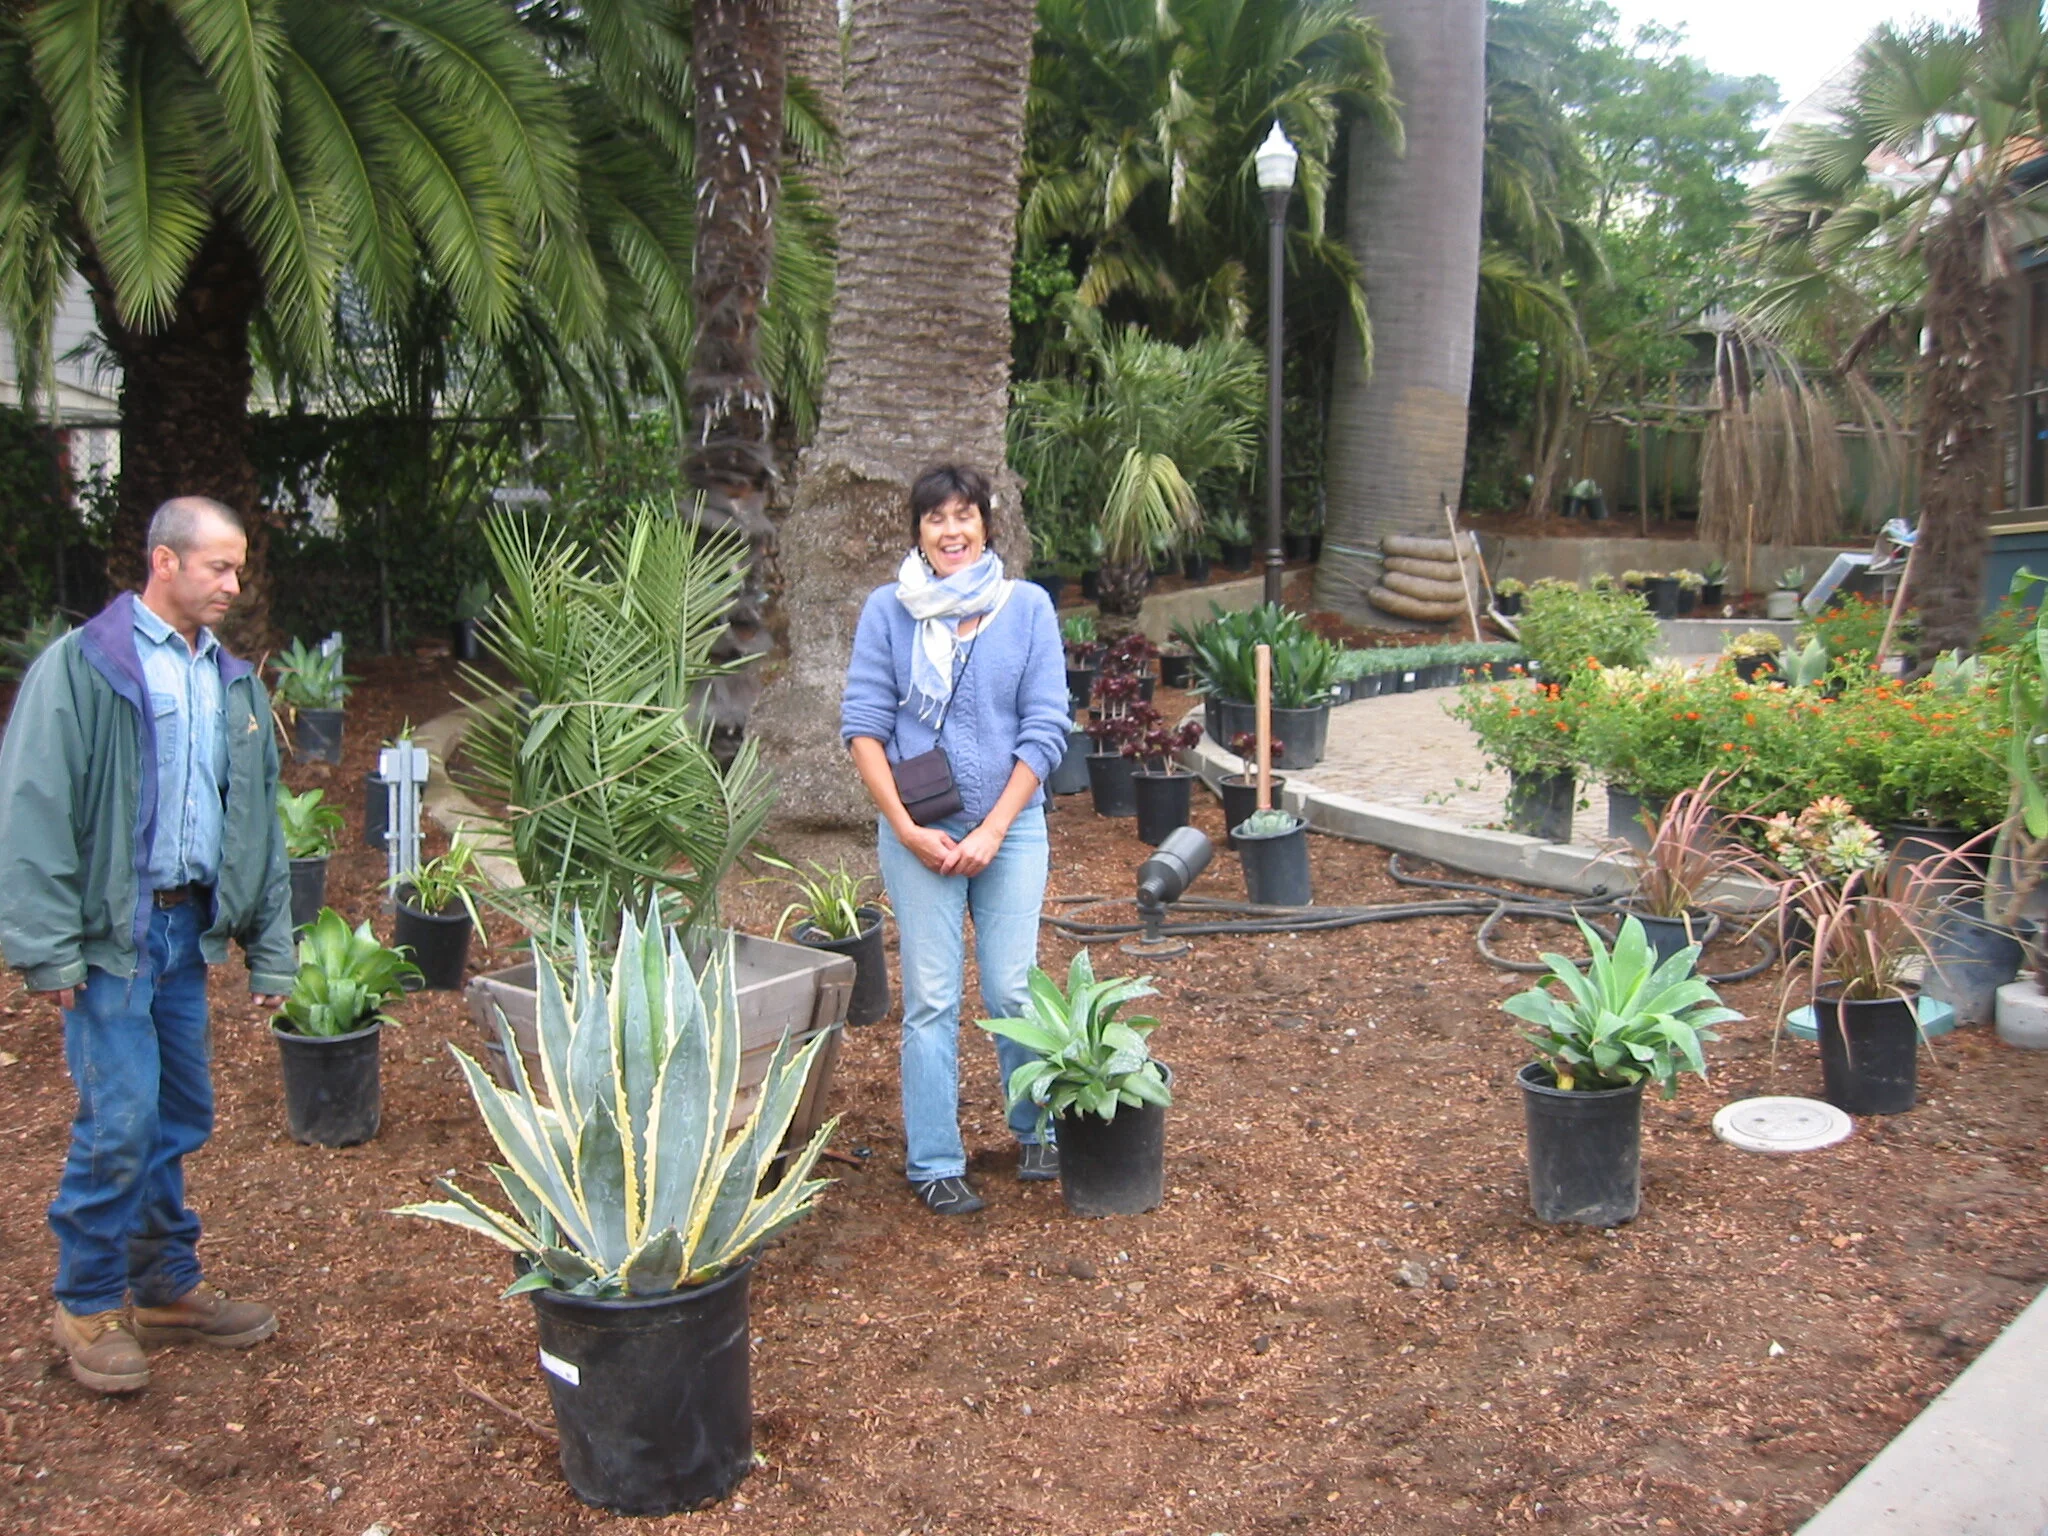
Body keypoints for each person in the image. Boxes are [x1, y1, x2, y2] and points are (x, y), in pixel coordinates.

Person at [0, 496, 295, 1394]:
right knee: (120, 1119)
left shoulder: (230, 682)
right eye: (219, 566)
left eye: (239, 567)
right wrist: (48, 947)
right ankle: (87, 1302)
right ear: (164, 562)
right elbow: (35, 804)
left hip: (184, 932)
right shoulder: (85, 667)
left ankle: (163, 1288)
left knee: (176, 1114)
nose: (235, 584)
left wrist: (269, 947)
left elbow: (258, 824)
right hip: (110, 940)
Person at [841, 464, 1071, 1215]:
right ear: (918, 531)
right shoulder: (888, 611)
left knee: (1012, 986)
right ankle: (935, 1160)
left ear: (986, 526)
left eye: (964, 516)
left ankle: (1037, 1127)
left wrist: (996, 827)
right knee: (933, 998)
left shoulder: (1026, 607)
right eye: (936, 518)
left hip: (1013, 828)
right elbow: (864, 728)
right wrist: (908, 830)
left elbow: (1046, 727)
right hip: (920, 832)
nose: (951, 531)